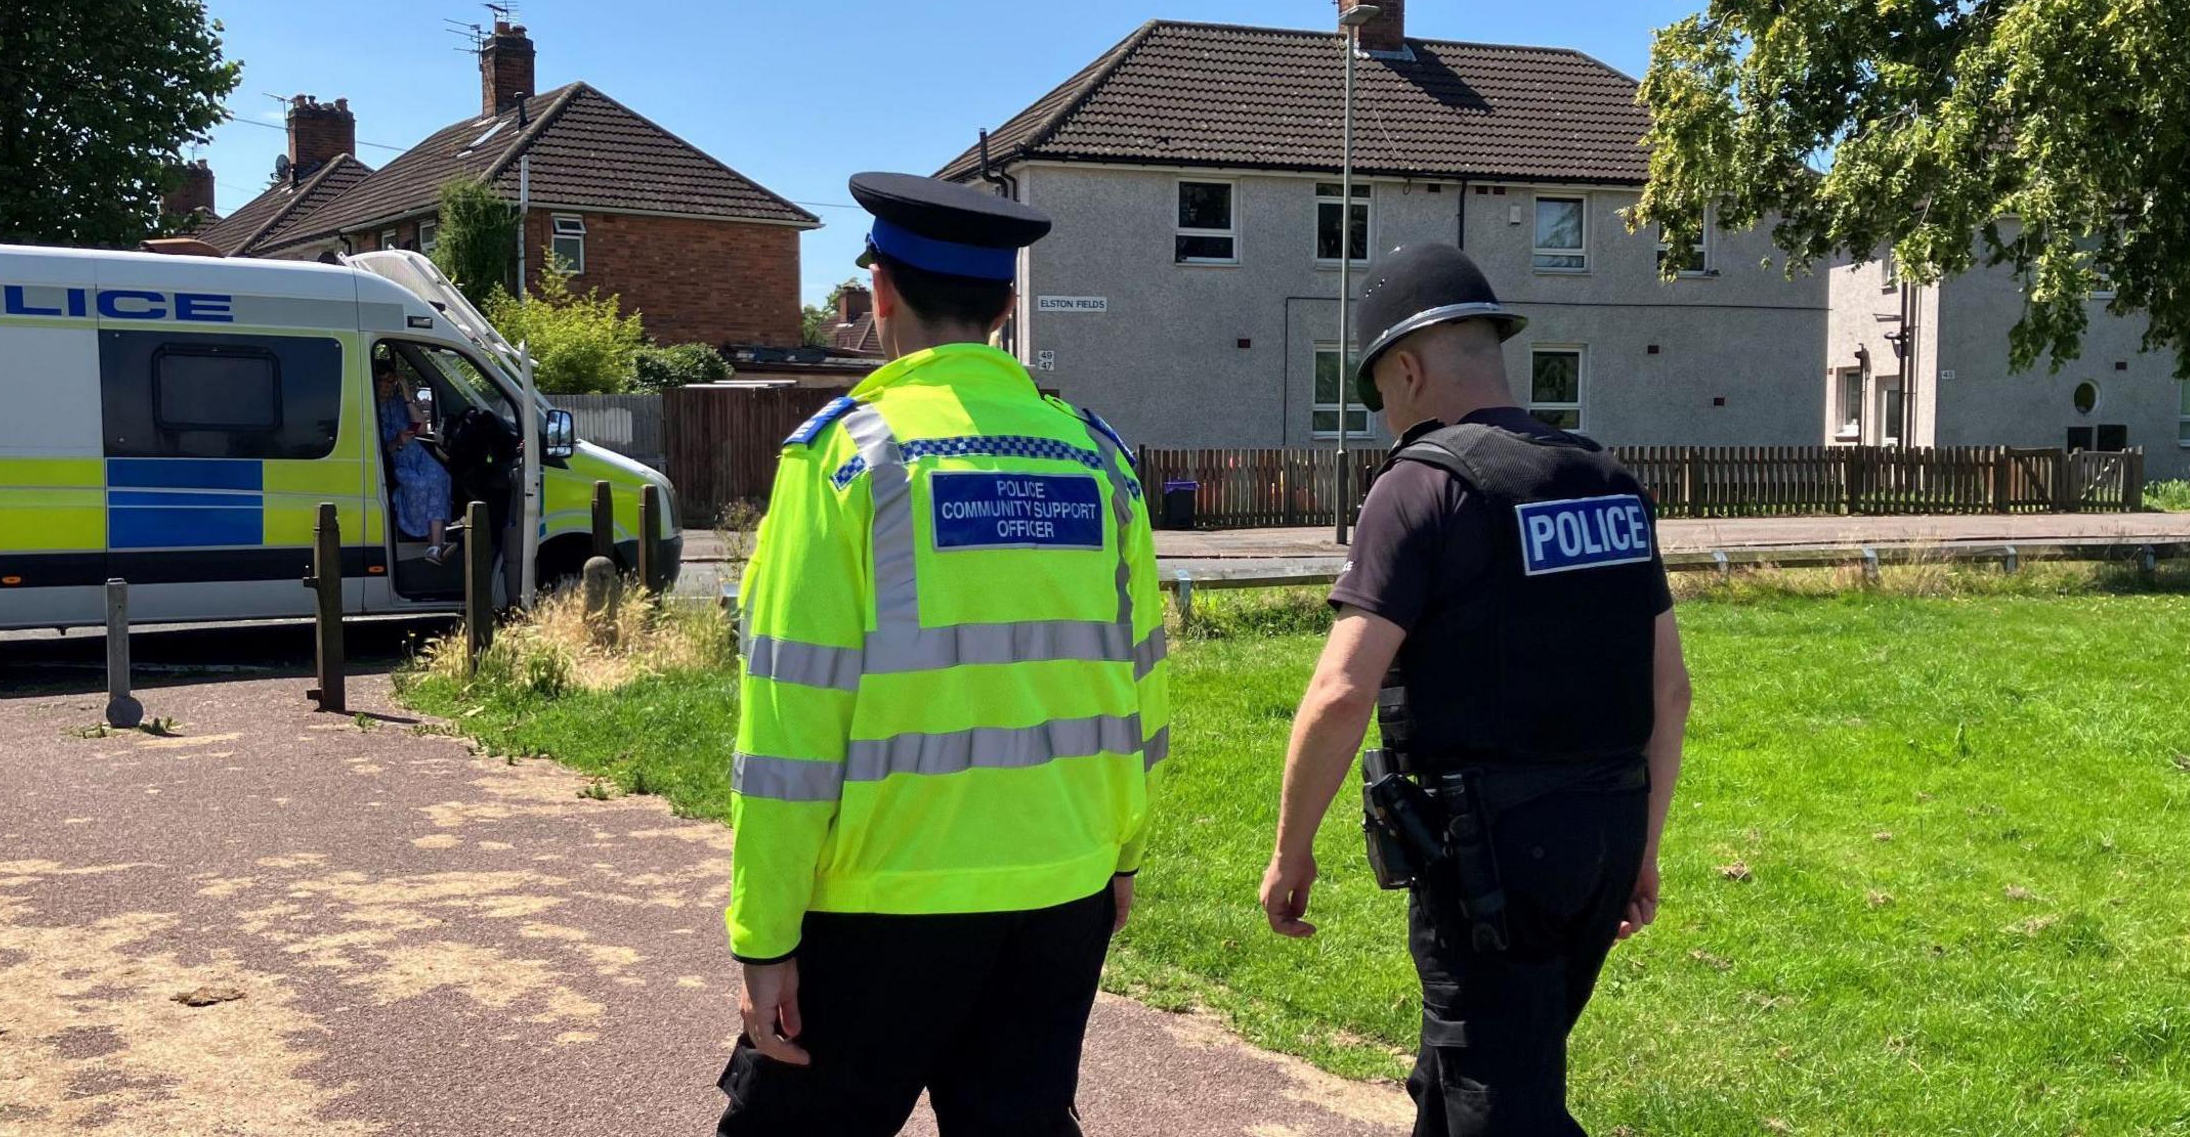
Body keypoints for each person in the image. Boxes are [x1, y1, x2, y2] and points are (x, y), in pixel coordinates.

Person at [717, 171, 1167, 1136]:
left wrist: (765, 931)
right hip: (1061, 891)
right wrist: (1122, 851)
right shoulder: (1098, 458)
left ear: (881, 292)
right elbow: (1141, 682)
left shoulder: (843, 462)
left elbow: (789, 723)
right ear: (1008, 305)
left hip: (882, 904)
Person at [1258, 242, 1694, 1137]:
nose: (1382, 414)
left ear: (1407, 369)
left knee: (1494, 1100)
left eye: (1377, 391)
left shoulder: (1421, 486)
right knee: (1469, 1070)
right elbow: (1671, 689)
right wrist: (1641, 851)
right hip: (1603, 834)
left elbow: (1343, 691)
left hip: (1493, 856)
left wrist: (1290, 849)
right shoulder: (1606, 480)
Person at [375, 361, 450, 563]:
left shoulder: (399, 402)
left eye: (390, 380)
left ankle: (434, 547)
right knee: (419, 485)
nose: (386, 385)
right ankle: (435, 541)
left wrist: (407, 395)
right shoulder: (369, 406)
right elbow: (378, 449)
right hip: (395, 460)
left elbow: (422, 429)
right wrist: (397, 441)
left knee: (439, 477)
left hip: (417, 454)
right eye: (381, 381)